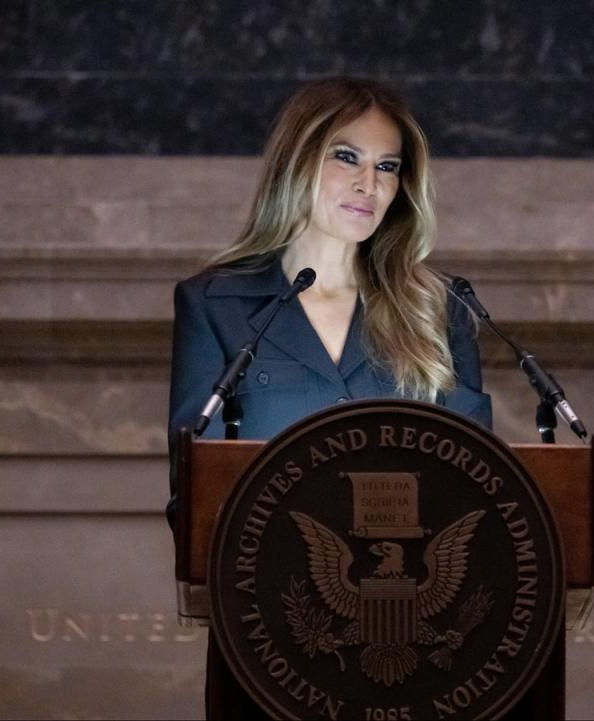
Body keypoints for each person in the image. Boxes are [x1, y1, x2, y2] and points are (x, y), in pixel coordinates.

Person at [167, 75, 493, 717]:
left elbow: (479, 482)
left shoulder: (439, 311)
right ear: (297, 160)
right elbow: (192, 487)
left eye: (388, 167)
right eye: (345, 156)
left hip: (424, 667)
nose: (367, 183)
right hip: (268, 645)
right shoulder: (216, 306)